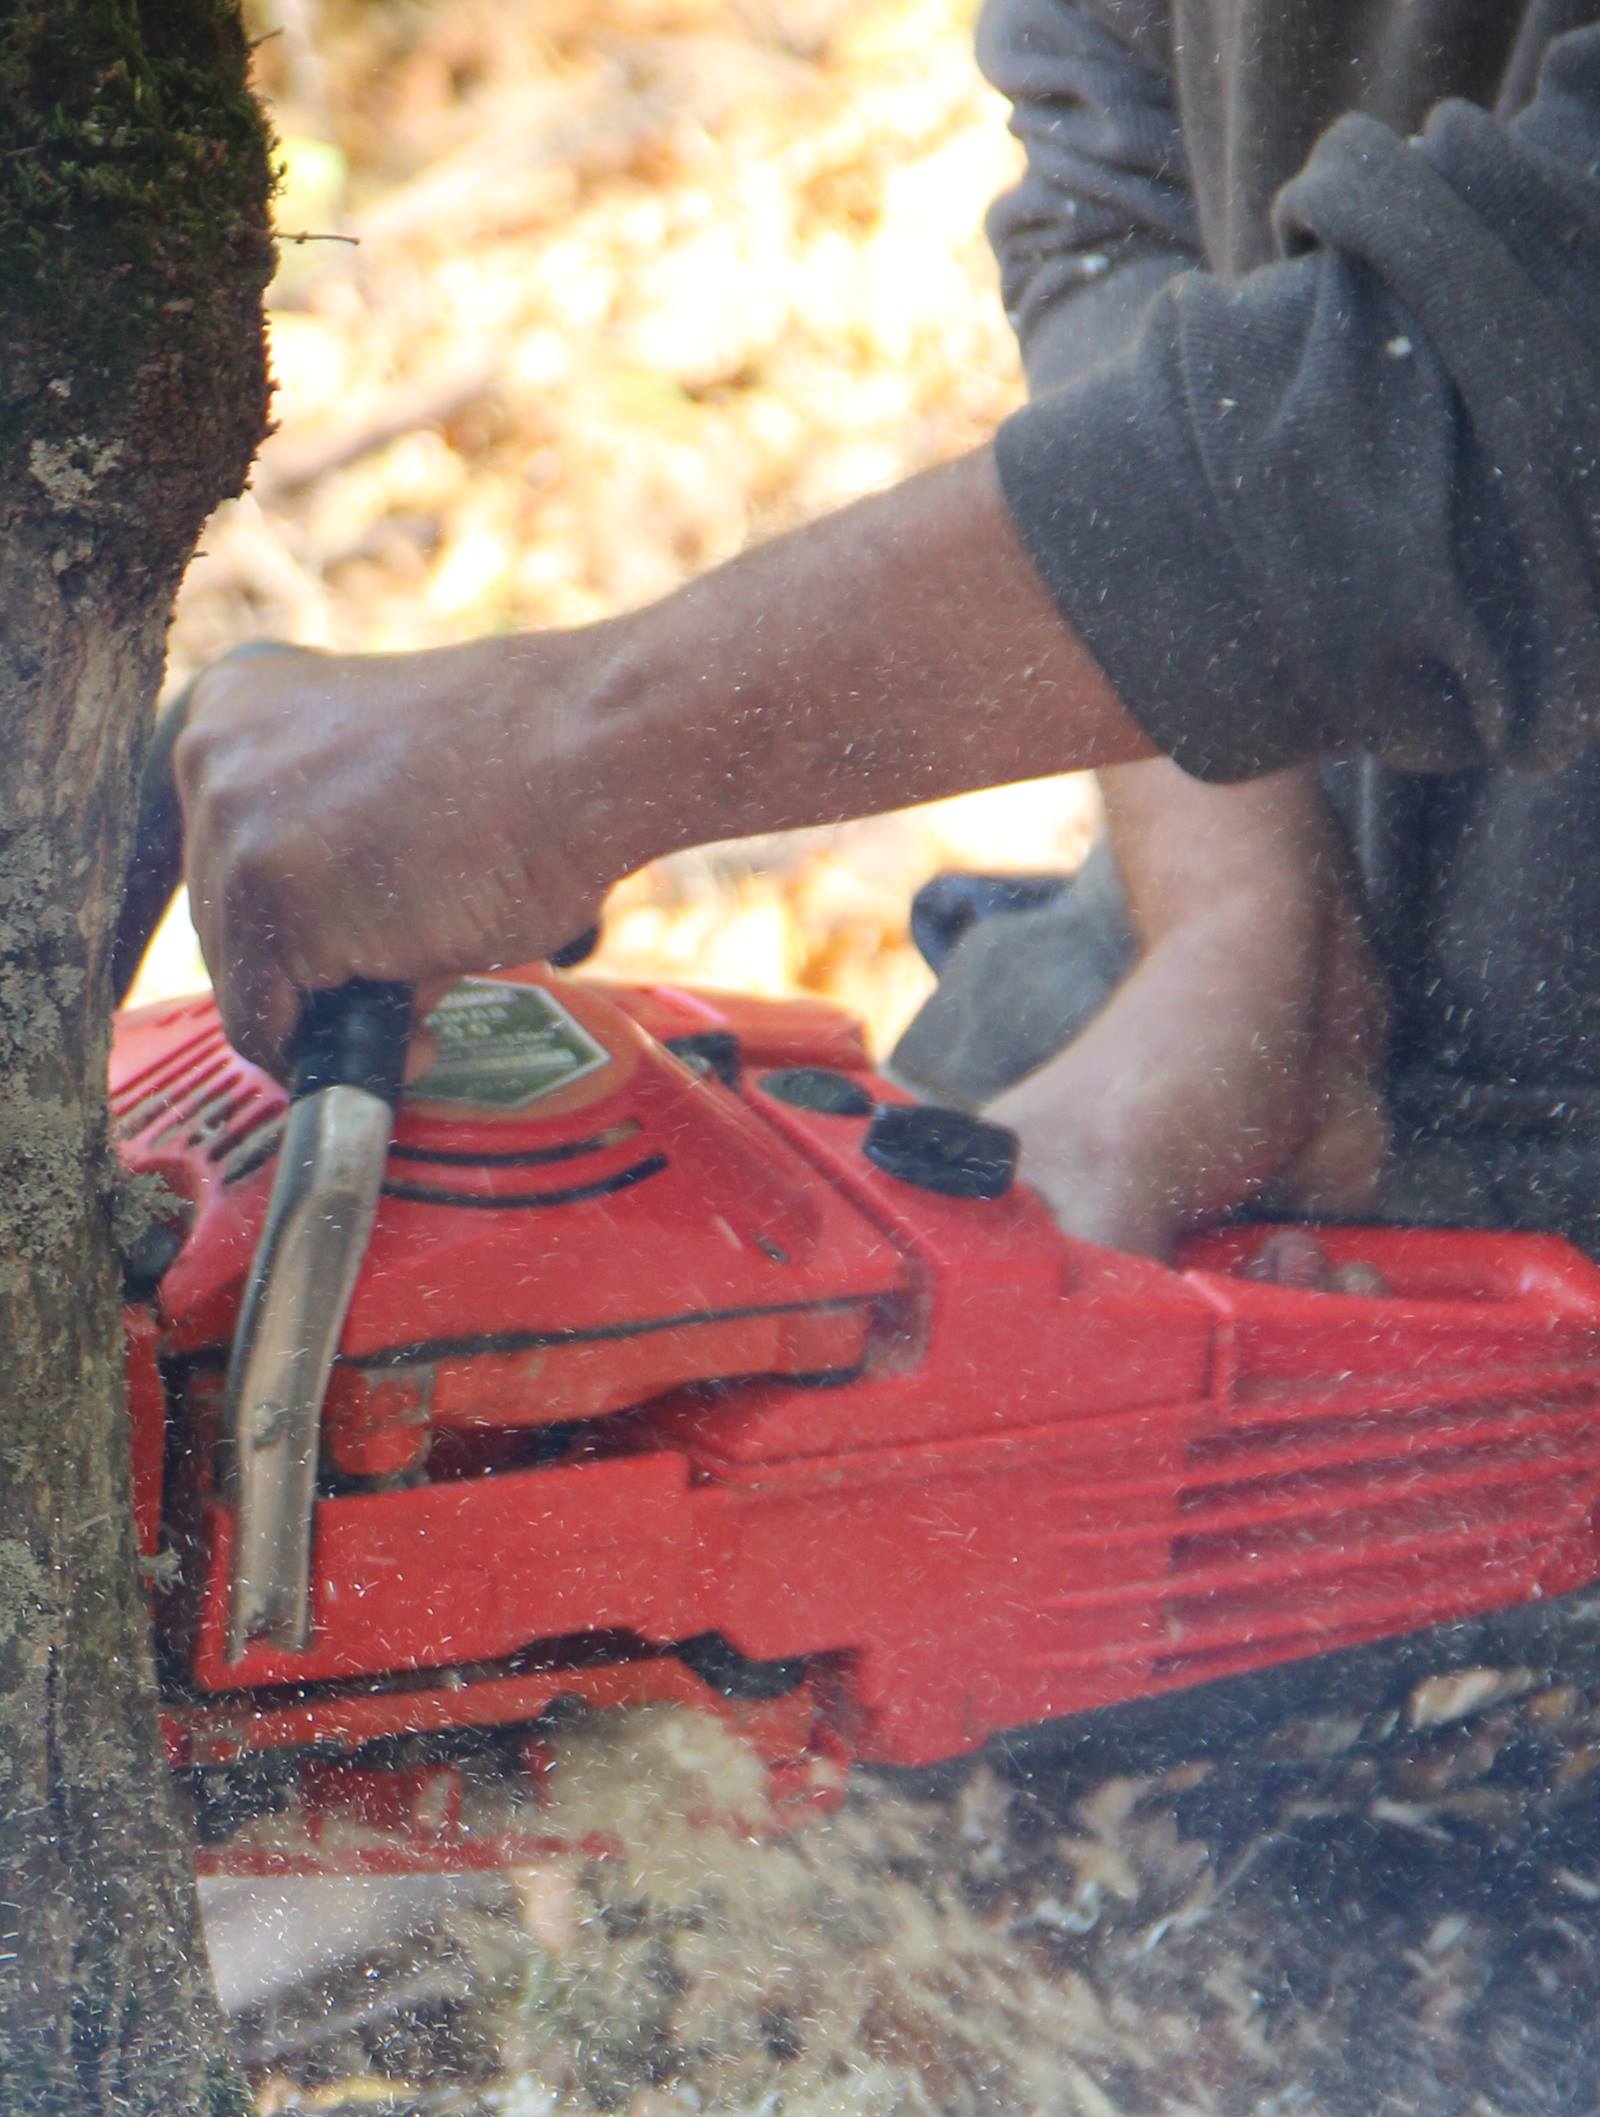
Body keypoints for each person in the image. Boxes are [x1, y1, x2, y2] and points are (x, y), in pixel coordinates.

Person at [170, 0, 1600, 1256]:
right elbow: (1118, 201)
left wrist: (567, 755)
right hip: (1271, 892)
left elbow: (1523, 385)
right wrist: (1240, 938)